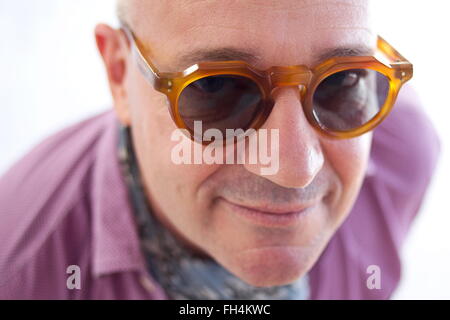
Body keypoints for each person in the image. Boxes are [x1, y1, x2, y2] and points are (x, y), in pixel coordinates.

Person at [0, 0, 440, 299]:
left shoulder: (402, 156)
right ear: (119, 75)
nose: (295, 168)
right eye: (217, 88)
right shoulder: (22, 272)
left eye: (341, 81)